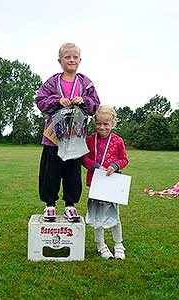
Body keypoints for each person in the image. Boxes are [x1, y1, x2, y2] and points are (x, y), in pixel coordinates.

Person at [35, 43, 100, 222]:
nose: (71, 60)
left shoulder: (85, 83)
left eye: (75, 57)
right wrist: (58, 100)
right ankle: (50, 205)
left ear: (80, 60)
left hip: (75, 138)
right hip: (53, 138)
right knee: (50, 173)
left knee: (72, 174)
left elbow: (95, 104)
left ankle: (70, 206)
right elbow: (40, 101)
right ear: (60, 61)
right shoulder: (52, 82)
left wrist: (83, 100)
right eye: (67, 57)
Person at [82, 105, 129, 259]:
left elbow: (124, 159)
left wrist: (114, 166)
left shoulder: (118, 141)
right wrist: (96, 166)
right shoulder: (89, 140)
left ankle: (118, 244)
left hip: (112, 184)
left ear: (113, 123)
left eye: (106, 124)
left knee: (115, 216)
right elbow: (84, 159)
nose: (102, 127)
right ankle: (101, 245)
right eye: (98, 124)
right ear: (95, 123)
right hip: (96, 184)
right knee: (97, 217)